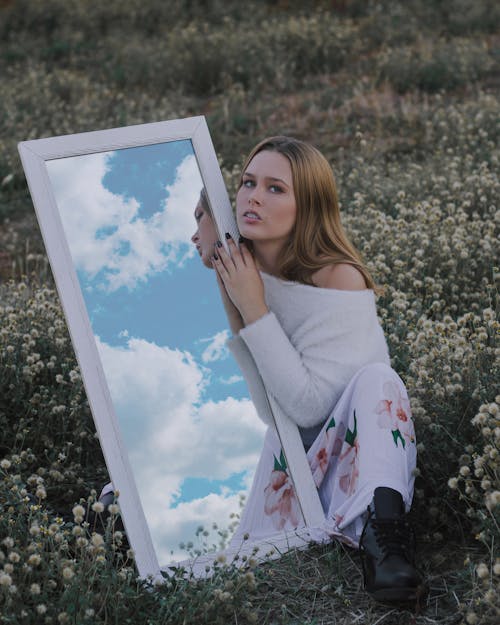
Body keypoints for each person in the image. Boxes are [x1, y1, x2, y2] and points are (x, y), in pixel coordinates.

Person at [209, 136, 425, 603]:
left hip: (354, 458)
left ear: (307, 206)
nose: (253, 196)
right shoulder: (239, 271)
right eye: (247, 182)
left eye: (275, 188)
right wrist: (240, 302)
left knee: (380, 381)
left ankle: (384, 536)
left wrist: (254, 306)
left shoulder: (338, 276)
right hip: (289, 467)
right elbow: (272, 413)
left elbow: (310, 409)